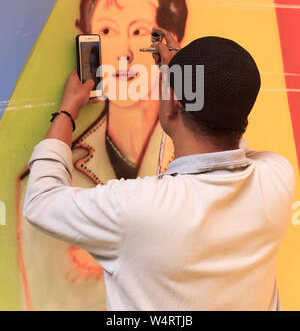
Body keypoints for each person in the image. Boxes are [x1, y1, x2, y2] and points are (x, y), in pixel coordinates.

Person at [23, 29, 295, 311]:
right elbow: (228, 131)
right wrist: (182, 78)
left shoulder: (138, 208)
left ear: (174, 104)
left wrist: (67, 112)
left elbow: (41, 201)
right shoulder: (277, 177)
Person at [18, 0, 188, 310]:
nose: (124, 51)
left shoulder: (193, 164)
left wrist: (67, 111)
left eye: (140, 31)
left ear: (167, 46)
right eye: (107, 31)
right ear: (89, 39)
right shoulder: (59, 176)